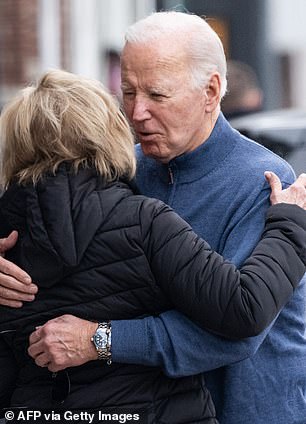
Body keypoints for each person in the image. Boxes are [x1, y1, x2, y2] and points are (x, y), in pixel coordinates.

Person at [0, 11, 306, 423]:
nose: (137, 112)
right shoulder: (121, 169)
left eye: (157, 96)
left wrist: (102, 340)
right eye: (127, 92)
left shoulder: (261, 181)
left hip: (245, 409)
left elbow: (236, 331)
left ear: (211, 91)